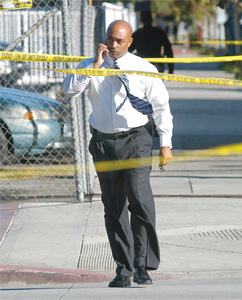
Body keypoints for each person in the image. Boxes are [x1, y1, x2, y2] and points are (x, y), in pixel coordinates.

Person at [62, 20, 173, 288]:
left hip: (136, 140)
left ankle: (143, 265)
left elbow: (160, 106)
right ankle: (123, 269)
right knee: (113, 207)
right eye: (109, 39)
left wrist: (166, 143)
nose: (112, 45)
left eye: (118, 41)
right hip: (104, 143)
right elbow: (69, 90)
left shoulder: (144, 68)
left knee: (139, 201)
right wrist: (93, 69)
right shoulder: (90, 66)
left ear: (129, 43)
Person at [129, 10, 174, 74]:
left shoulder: (137, 34)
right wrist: (171, 69)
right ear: (151, 19)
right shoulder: (160, 33)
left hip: (141, 67)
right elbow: (168, 51)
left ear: (141, 20)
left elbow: (128, 51)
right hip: (157, 67)